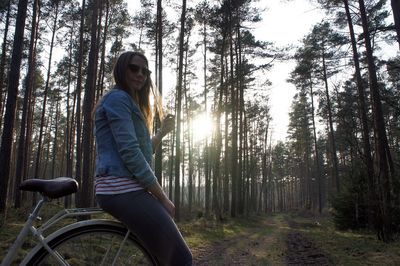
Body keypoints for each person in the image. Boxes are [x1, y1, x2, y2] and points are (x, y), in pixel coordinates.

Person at [94, 51, 192, 265]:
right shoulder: (118, 99)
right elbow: (131, 153)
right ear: (121, 69)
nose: (140, 74)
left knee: (161, 256)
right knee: (181, 259)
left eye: (145, 71)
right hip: (121, 189)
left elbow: (141, 148)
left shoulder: (127, 101)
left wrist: (162, 133)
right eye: (133, 68)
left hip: (124, 188)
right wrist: (163, 197)